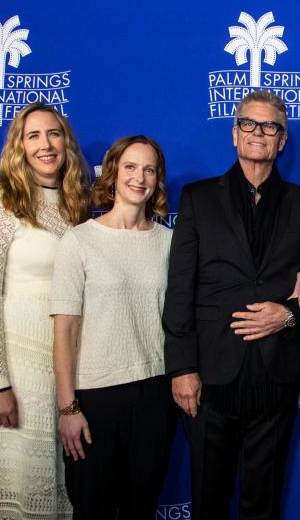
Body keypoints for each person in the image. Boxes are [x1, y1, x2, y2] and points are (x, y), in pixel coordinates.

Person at [162, 90, 300, 520]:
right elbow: (180, 289)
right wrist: (181, 368)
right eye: (249, 124)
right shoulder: (197, 198)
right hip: (210, 377)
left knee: (262, 504)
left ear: (282, 141)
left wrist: (285, 315)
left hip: (274, 378)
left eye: (270, 127)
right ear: (235, 134)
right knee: (208, 500)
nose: (258, 133)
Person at [0, 102, 89, 519]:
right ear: (19, 147)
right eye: (34, 136)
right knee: (11, 488)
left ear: (66, 143)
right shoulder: (3, 200)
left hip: (62, 371)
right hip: (16, 368)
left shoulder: (75, 206)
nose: (46, 144)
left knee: (53, 486)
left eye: (54, 134)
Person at [51, 135, 177, 519]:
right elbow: (64, 332)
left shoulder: (170, 243)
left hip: (156, 393)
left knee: (142, 508)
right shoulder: (79, 241)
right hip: (95, 398)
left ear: (158, 179)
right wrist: (68, 406)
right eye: (131, 167)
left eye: (149, 170)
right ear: (113, 173)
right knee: (93, 508)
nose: (140, 178)